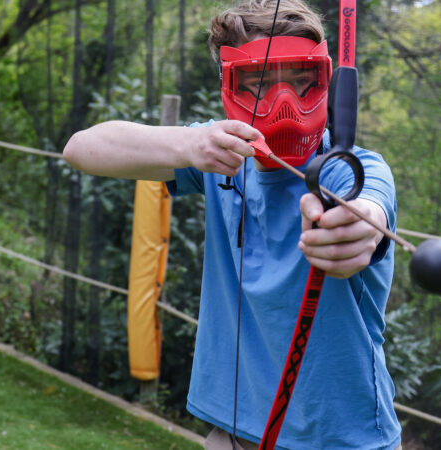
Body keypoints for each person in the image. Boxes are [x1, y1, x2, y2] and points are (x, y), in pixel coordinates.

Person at [63, 0, 402, 448]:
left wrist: (353, 232)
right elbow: (82, 148)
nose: (284, 103)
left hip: (343, 438)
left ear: (325, 79)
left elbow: (367, 213)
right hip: (233, 429)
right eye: (259, 83)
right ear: (228, 86)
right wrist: (190, 143)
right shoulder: (217, 155)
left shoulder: (352, 170)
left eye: (300, 81)